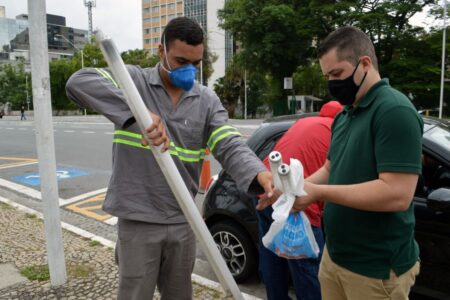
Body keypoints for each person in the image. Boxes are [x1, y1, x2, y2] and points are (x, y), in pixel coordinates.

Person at [65, 17, 273, 300]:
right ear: (161, 51)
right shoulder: (133, 81)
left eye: (195, 64)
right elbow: (79, 82)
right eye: (180, 61)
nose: (188, 71)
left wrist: (260, 174)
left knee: (179, 293)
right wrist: (137, 113)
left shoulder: (206, 100)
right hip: (138, 218)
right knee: (135, 293)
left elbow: (229, 144)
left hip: (183, 218)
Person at [259, 26, 423, 300]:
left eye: (337, 74)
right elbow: (329, 169)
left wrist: (319, 193)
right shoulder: (346, 115)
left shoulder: (394, 111)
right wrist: (289, 190)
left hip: (375, 269)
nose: (333, 84)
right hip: (334, 258)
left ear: (365, 64)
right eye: (327, 77)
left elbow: (396, 194)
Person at [256, 101, 342, 300]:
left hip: (267, 194)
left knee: (273, 265)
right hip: (298, 208)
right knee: (308, 274)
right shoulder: (340, 133)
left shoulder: (305, 122)